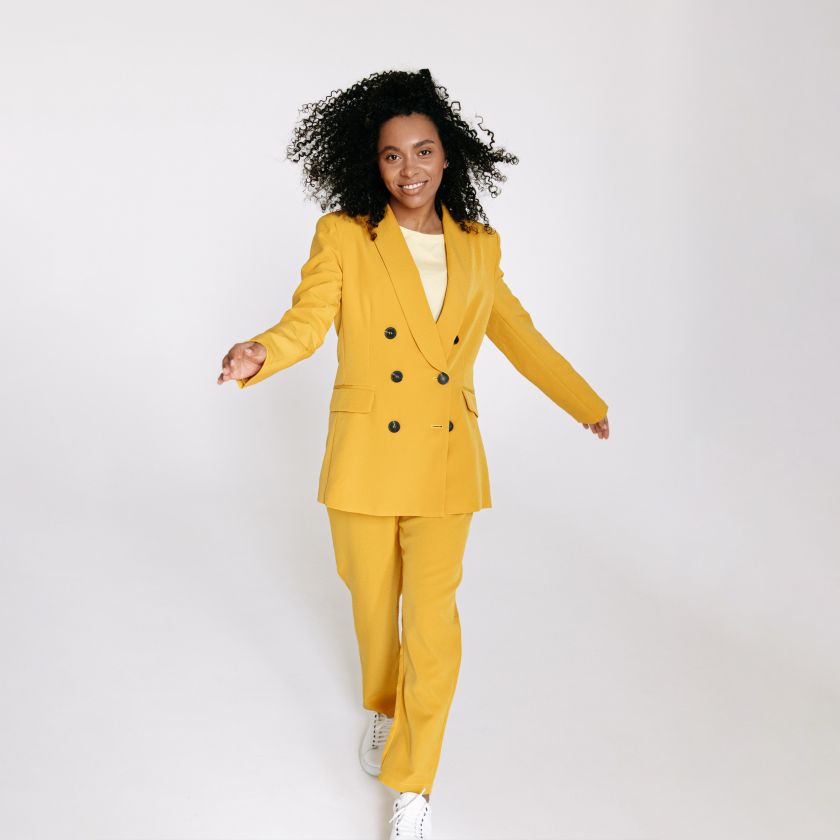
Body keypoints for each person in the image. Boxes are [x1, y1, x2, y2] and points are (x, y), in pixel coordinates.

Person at [217, 67, 609, 839]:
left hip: (445, 458)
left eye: (423, 151)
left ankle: (414, 785)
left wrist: (584, 403)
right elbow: (308, 319)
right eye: (392, 155)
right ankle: (383, 702)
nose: (409, 169)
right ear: (374, 164)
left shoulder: (480, 248)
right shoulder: (344, 236)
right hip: (366, 455)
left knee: (432, 628)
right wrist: (262, 351)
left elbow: (522, 338)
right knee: (373, 608)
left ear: (448, 155)